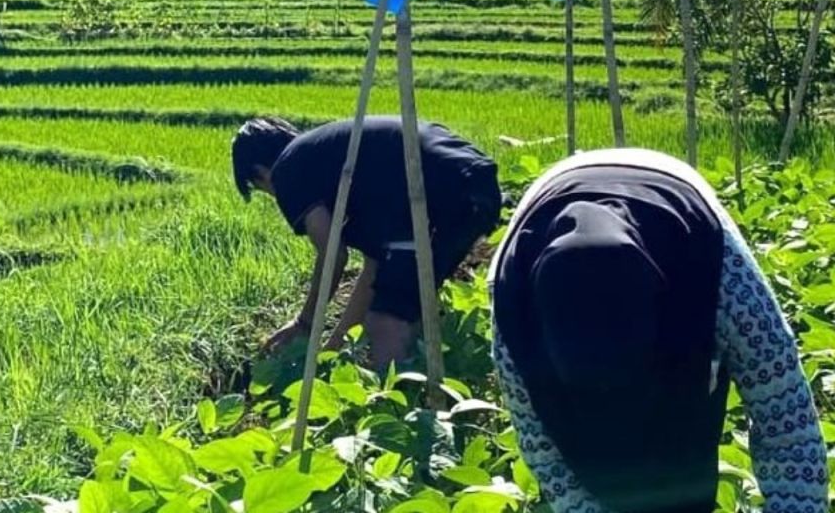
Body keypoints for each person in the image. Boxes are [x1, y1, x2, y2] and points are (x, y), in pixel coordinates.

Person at [488, 148, 828, 513]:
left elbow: (787, 428)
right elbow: (549, 458)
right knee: (601, 470)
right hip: (550, 207)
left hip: (677, 226)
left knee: (683, 465)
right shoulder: (514, 314)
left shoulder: (725, 281)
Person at [231, 115, 502, 371]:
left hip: (438, 194)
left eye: (260, 190)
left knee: (386, 324)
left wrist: (305, 323)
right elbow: (375, 268)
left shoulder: (287, 170)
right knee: (407, 306)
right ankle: (425, 394)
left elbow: (333, 254)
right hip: (473, 187)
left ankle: (401, 413)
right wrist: (333, 349)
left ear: (260, 173)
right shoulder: (334, 160)